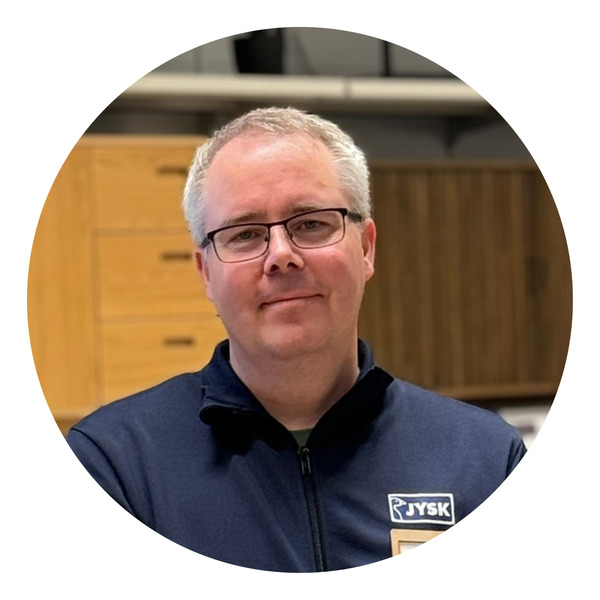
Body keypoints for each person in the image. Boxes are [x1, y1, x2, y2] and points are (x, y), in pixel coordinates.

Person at [67, 106, 526, 572]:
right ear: (206, 273)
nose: (281, 256)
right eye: (245, 234)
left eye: (310, 223)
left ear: (366, 248)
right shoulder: (114, 468)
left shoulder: (486, 460)